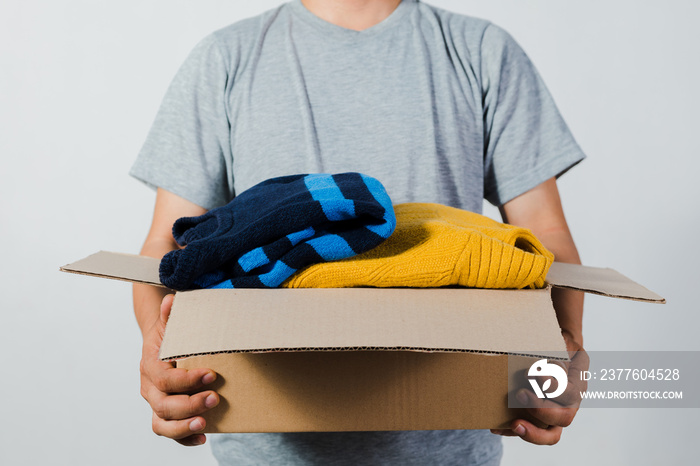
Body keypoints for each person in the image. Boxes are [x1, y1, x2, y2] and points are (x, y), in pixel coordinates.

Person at [130, 0, 586, 464]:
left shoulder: (483, 52)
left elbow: (542, 234)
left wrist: (564, 346)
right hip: (263, 445)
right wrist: (157, 345)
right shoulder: (225, 58)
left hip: (451, 441)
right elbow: (170, 244)